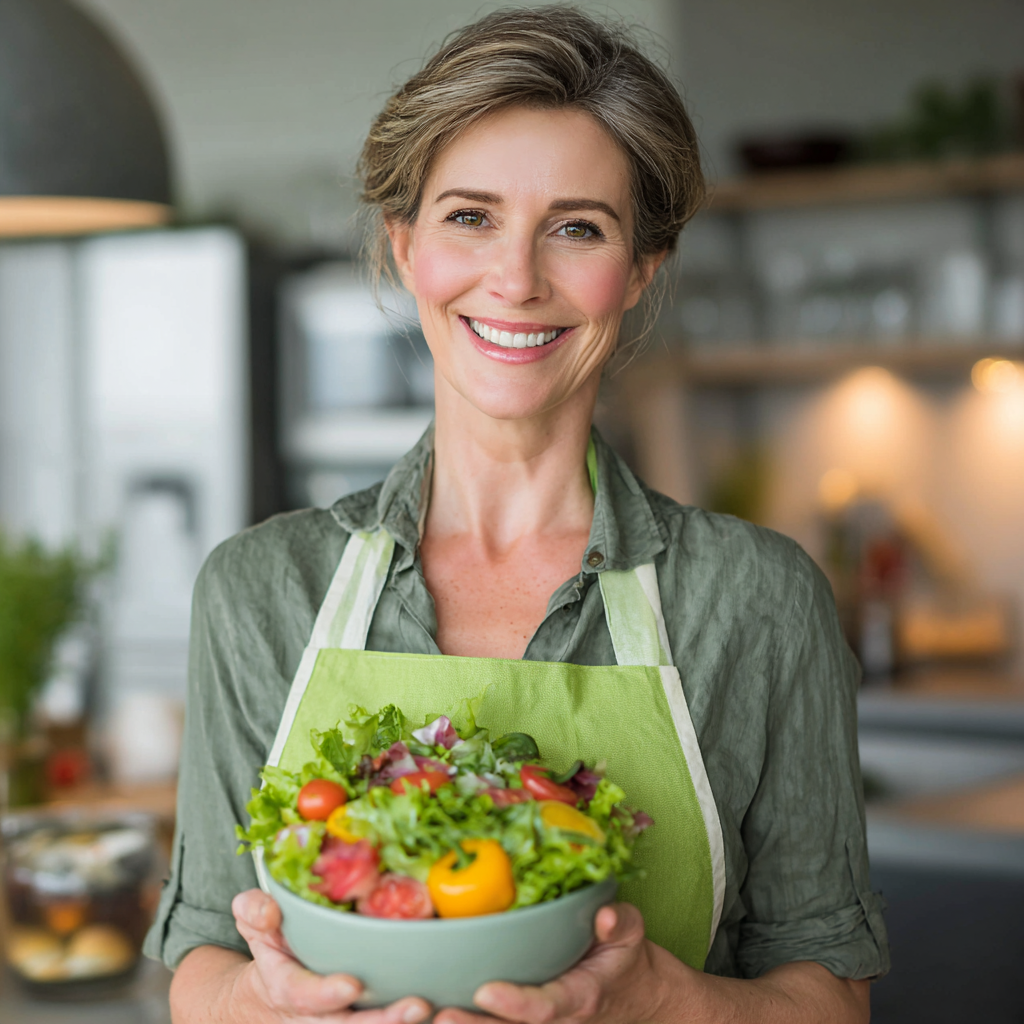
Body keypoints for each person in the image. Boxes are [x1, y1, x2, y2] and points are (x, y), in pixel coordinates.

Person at [147, 8, 889, 1023]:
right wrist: (271, 999)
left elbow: (830, 993)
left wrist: (663, 999)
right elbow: (200, 968)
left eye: (576, 226)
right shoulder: (261, 590)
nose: (516, 277)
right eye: (469, 217)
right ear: (405, 247)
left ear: (639, 269)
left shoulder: (758, 599)